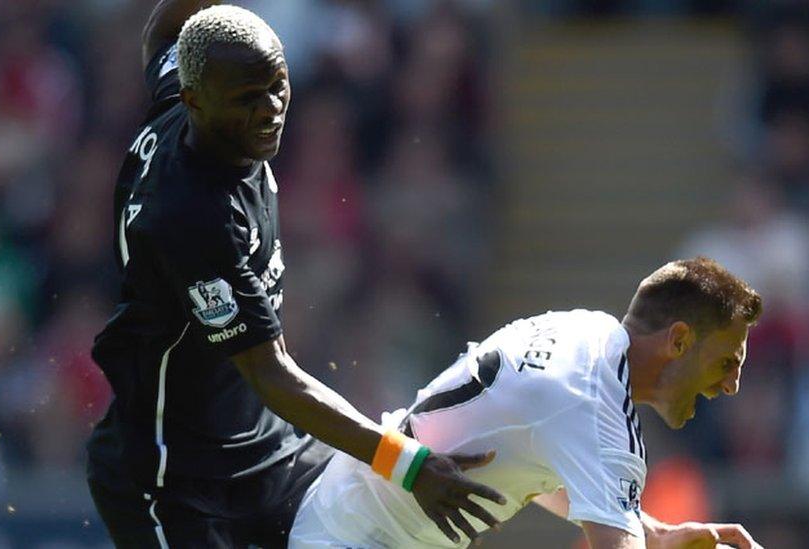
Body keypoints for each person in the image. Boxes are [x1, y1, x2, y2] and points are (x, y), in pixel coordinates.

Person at [84, 3, 505, 548]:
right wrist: (409, 465)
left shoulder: (189, 80)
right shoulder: (193, 217)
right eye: (247, 100)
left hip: (265, 446)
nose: (270, 111)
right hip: (175, 478)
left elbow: (162, 33)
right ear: (195, 101)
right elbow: (273, 374)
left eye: (277, 87)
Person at [290, 257, 766, 549]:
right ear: (679, 340)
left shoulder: (587, 332)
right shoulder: (599, 414)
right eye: (726, 362)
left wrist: (653, 533)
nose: (732, 386)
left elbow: (543, 457)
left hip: (342, 512)